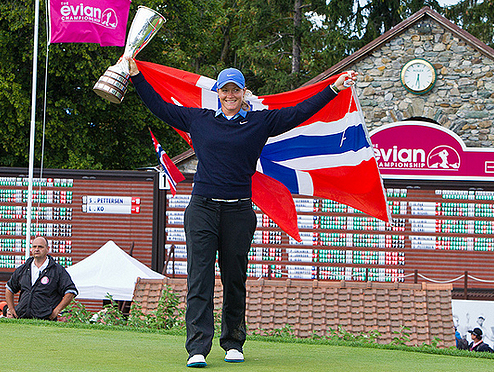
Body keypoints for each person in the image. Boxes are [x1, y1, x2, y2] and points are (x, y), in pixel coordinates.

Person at [128, 58, 357, 368]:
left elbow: (299, 113)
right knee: (199, 279)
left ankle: (234, 342)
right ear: (218, 92)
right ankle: (197, 348)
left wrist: (333, 88)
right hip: (202, 209)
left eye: (235, 90)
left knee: (235, 279)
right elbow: (160, 107)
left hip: (238, 211)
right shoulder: (200, 119)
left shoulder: (259, 122)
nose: (230, 95)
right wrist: (137, 77)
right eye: (225, 90)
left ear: (244, 92)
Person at [5, 237, 77, 320]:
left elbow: (70, 292)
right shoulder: (23, 269)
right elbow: (9, 288)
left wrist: (56, 311)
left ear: (47, 249)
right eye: (34, 247)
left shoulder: (57, 270)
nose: (37, 249)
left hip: (45, 319)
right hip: (23, 318)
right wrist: (11, 309)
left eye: (40, 247)